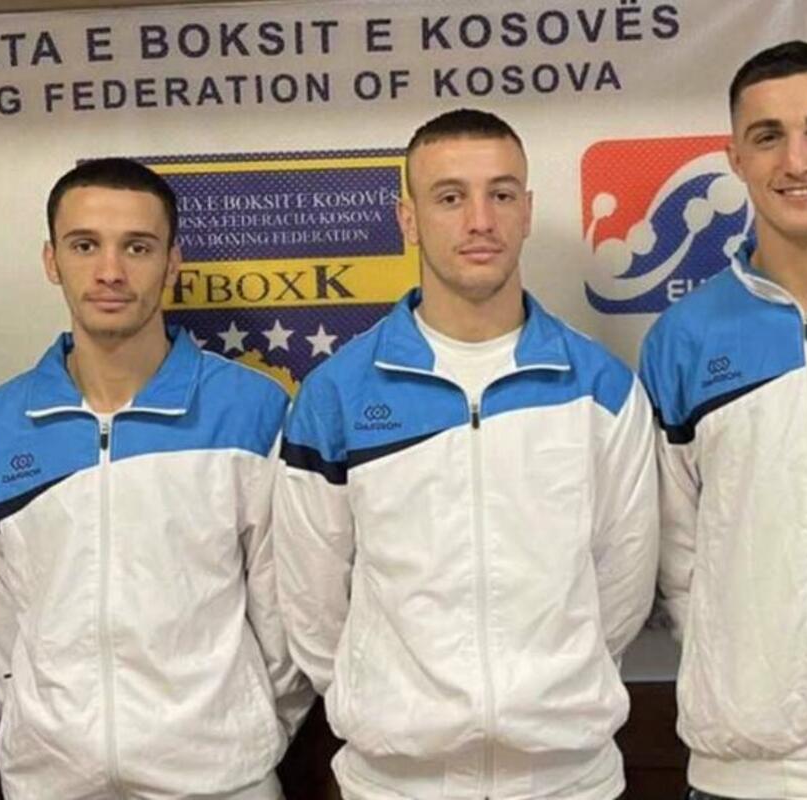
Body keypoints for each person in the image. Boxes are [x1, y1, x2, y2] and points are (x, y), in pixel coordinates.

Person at [274, 108, 658, 800]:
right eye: (450, 197)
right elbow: (312, 603)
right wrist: (385, 701)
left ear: (527, 210)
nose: (480, 220)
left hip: (567, 780)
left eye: (501, 194)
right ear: (409, 219)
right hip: (394, 784)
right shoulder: (336, 395)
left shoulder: (601, 389)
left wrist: (546, 699)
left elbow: (622, 587)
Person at [0, 157, 312, 799]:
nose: (110, 271)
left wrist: (248, 727)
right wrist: (42, 725)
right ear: (51, 260)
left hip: (221, 779)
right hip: (52, 780)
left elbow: (286, 607)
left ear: (172, 262)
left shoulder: (252, 409)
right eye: (85, 245)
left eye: (137, 247)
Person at [639, 40, 807, 800]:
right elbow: (677, 555)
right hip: (746, 773)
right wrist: (740, 678)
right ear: (735, 157)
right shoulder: (683, 339)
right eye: (768, 136)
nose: (796, 161)